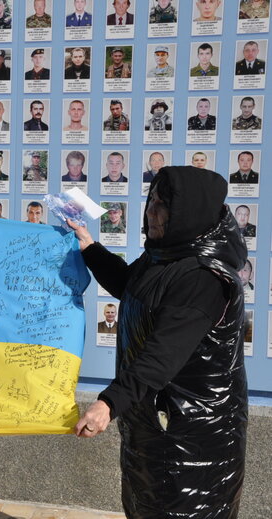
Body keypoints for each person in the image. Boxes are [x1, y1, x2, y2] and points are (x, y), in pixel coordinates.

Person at [70, 165, 247, 518]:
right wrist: (89, 247)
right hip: (156, 423)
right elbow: (131, 286)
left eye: (162, 206)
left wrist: (108, 403)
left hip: (194, 439)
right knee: (146, 505)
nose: (151, 213)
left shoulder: (203, 278)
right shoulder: (163, 257)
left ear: (187, 213)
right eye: (151, 202)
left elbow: (162, 356)